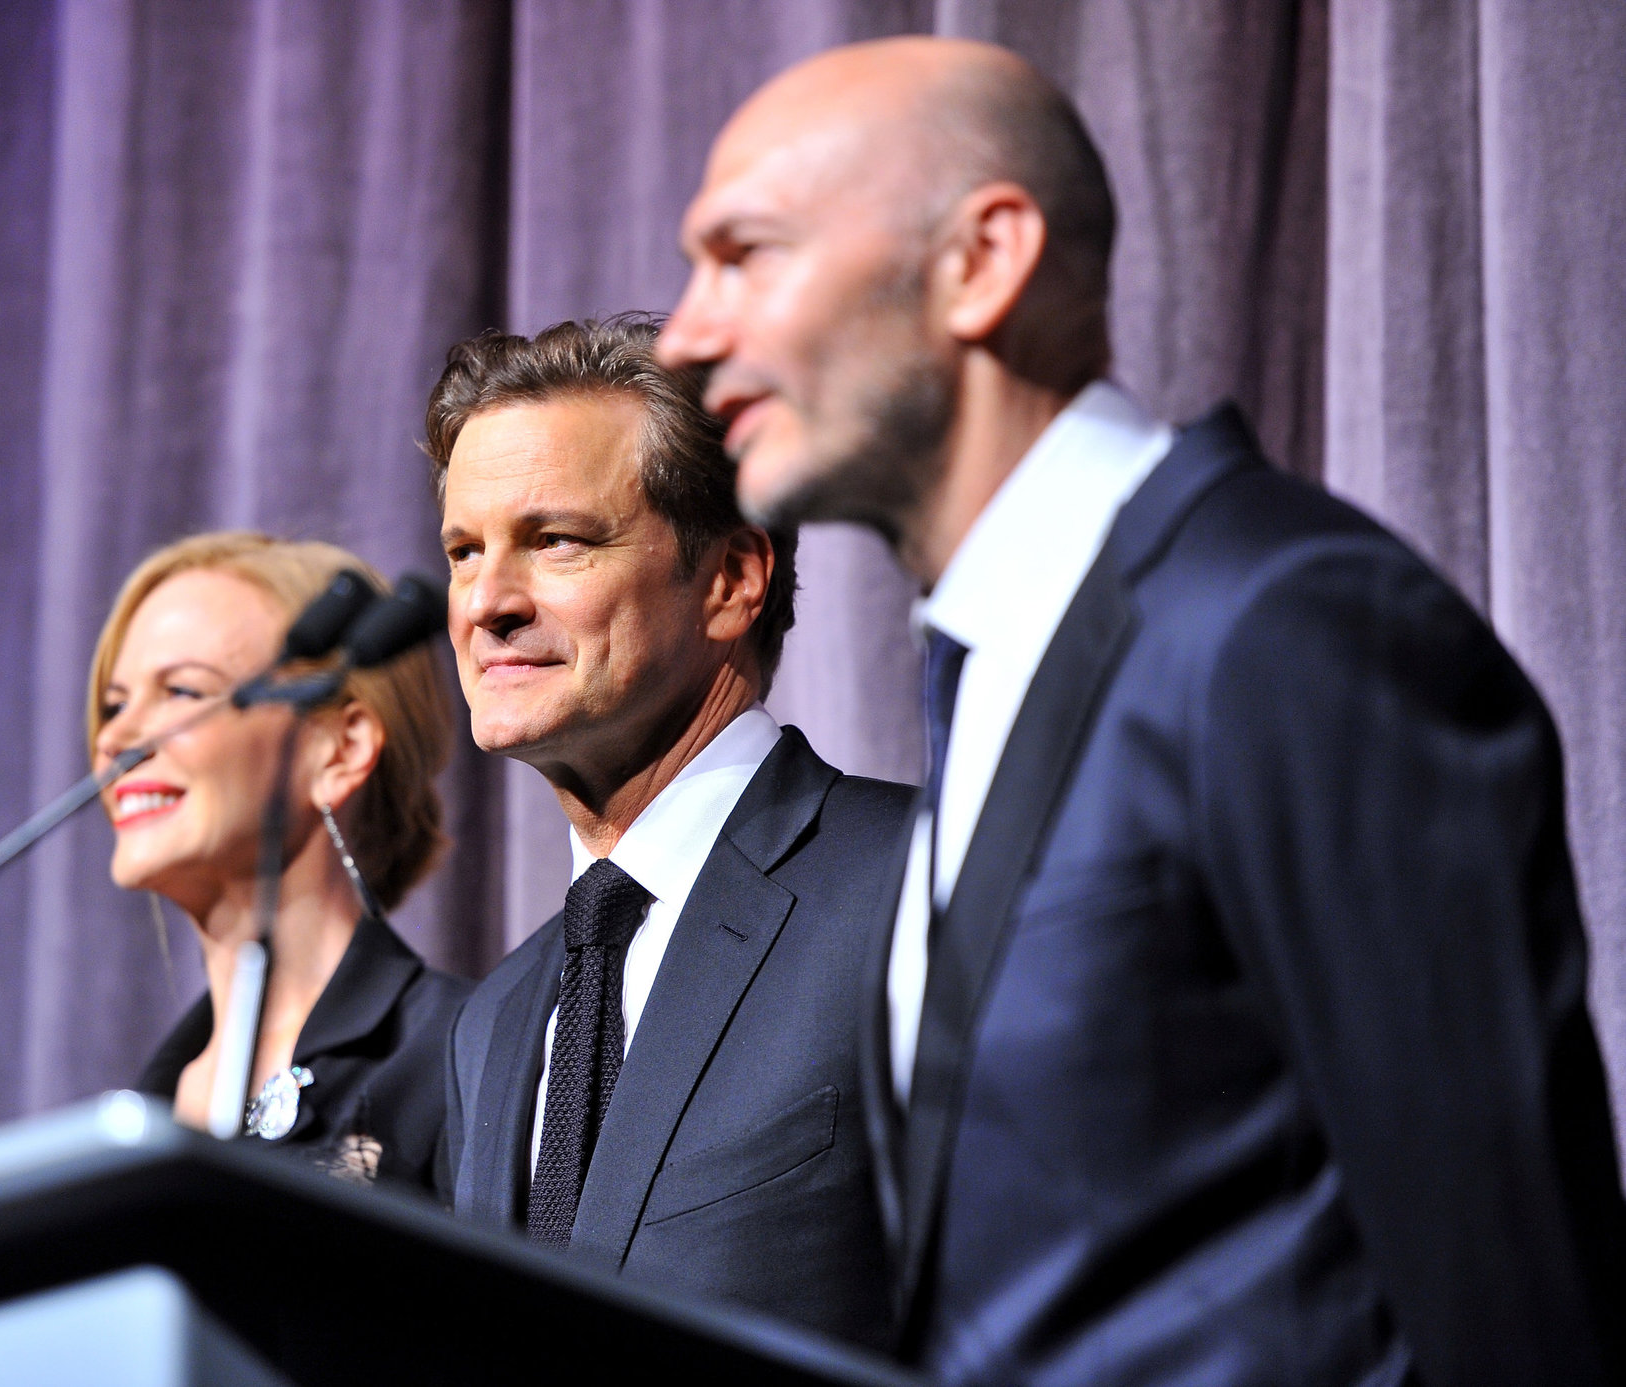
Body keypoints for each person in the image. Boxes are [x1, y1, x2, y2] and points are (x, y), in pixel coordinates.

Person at [658, 36, 1626, 1387]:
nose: (688, 334)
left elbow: (1514, 1307)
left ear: (982, 259)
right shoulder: (1002, 661)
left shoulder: (1283, 626)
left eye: (746, 254)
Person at [429, 315, 913, 1348]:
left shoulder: (915, 882)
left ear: (732, 579)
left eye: (555, 540)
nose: (485, 603)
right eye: (463, 552)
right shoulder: (493, 1021)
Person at [90, 532, 467, 1189]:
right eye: (115, 704)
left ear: (340, 749)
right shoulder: (135, 1119)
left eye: (181, 691)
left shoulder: (462, 1056)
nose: (116, 737)